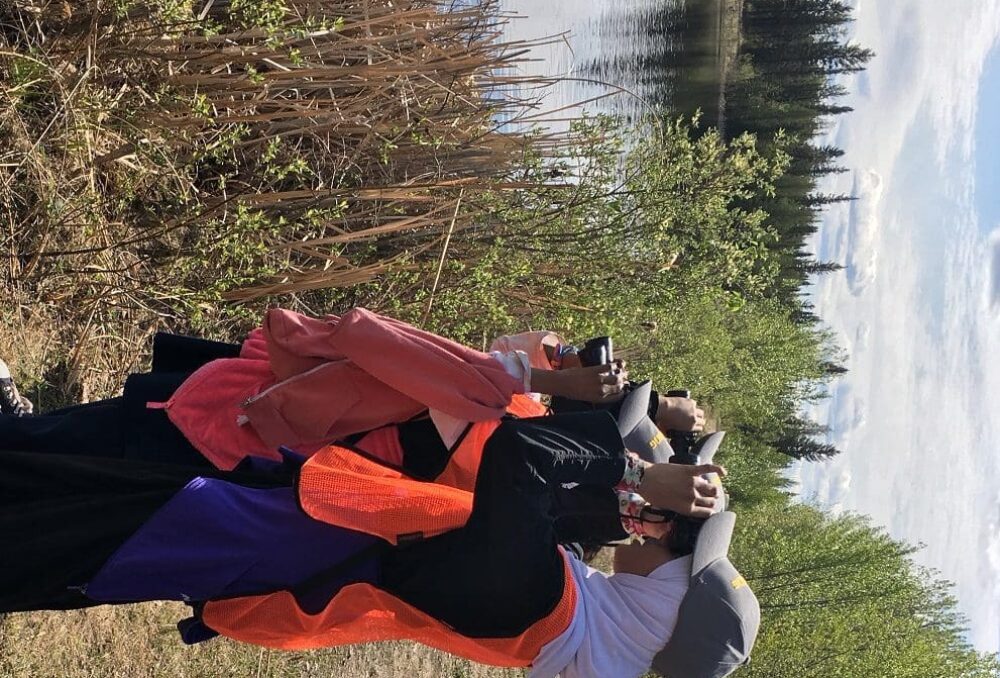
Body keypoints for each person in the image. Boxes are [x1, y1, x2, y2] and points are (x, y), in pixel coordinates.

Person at [0, 309, 759, 678]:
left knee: (48, 540)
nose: (662, 542)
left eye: (679, 554)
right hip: (254, 528)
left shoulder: (533, 605)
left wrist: (630, 473)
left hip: (232, 535)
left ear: (662, 618)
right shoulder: (556, 606)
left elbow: (521, 458)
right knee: (55, 513)